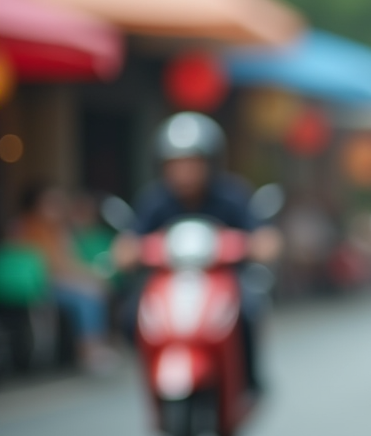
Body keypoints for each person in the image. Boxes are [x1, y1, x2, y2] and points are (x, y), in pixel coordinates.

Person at [112, 112, 282, 390]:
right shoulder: (155, 200)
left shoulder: (231, 195)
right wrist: (127, 252)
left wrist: (261, 245)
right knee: (134, 315)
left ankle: (248, 380)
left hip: (223, 282)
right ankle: (152, 370)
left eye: (193, 163)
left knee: (249, 311)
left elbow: (262, 235)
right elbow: (130, 240)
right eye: (177, 164)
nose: (185, 171)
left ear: (210, 163)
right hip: (169, 283)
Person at [11, 183, 117, 373]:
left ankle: (96, 345)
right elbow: (53, 266)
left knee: (94, 290)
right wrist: (90, 275)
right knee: (87, 295)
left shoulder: (61, 229)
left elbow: (70, 260)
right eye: (51, 202)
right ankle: (89, 350)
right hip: (38, 286)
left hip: (57, 282)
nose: (57, 207)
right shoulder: (30, 228)